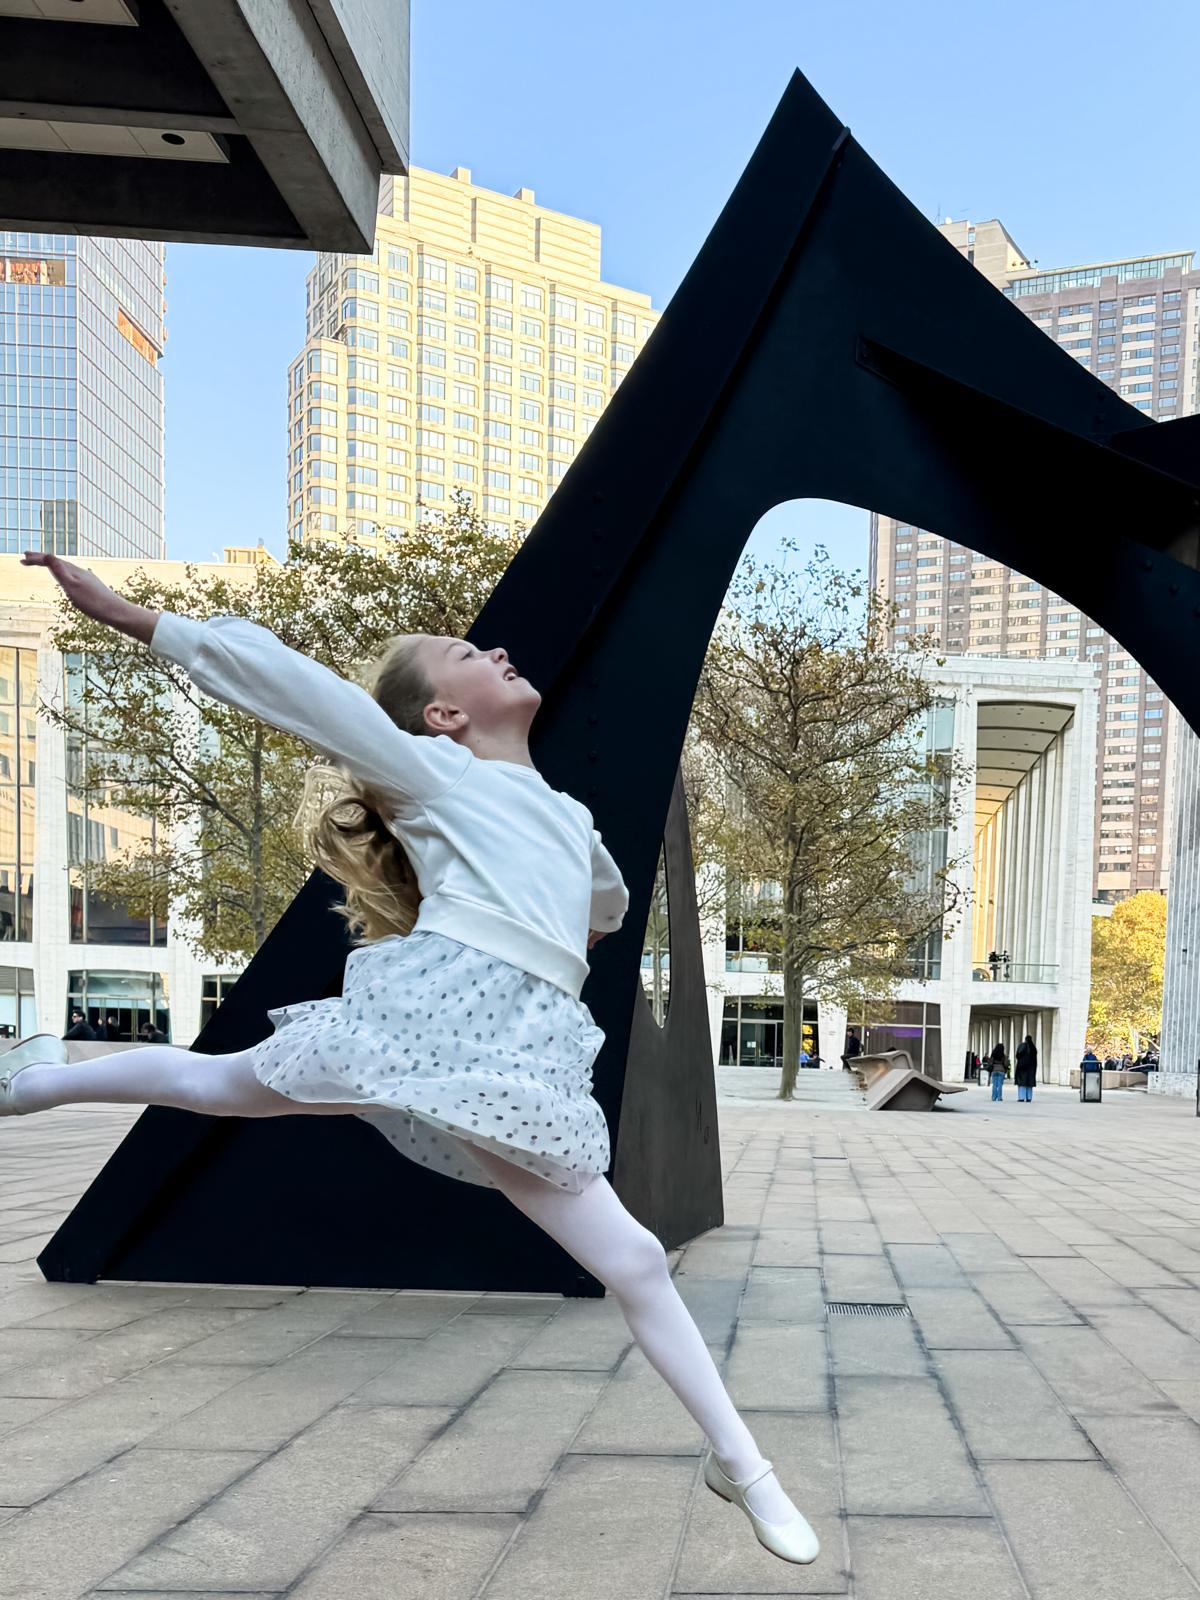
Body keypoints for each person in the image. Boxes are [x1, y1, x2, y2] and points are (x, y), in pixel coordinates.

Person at [0, 550, 819, 1567]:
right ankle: (37, 1085)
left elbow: (600, 903)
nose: (501, 649)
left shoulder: (572, 821)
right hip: (427, 1017)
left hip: (512, 1055)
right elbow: (298, 691)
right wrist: (141, 621)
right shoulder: (430, 773)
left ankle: (741, 1464)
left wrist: (556, 943)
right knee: (215, 1084)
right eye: (470, 653)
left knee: (637, 1259)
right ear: (442, 717)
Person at [1014, 1035, 1037, 1103]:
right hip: (1031, 1068)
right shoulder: (1033, 1047)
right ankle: (1029, 1098)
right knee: (1029, 1084)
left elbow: (1018, 1055)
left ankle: (1021, 1097)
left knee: (1022, 1083)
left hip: (1022, 1068)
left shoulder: (1022, 1045)